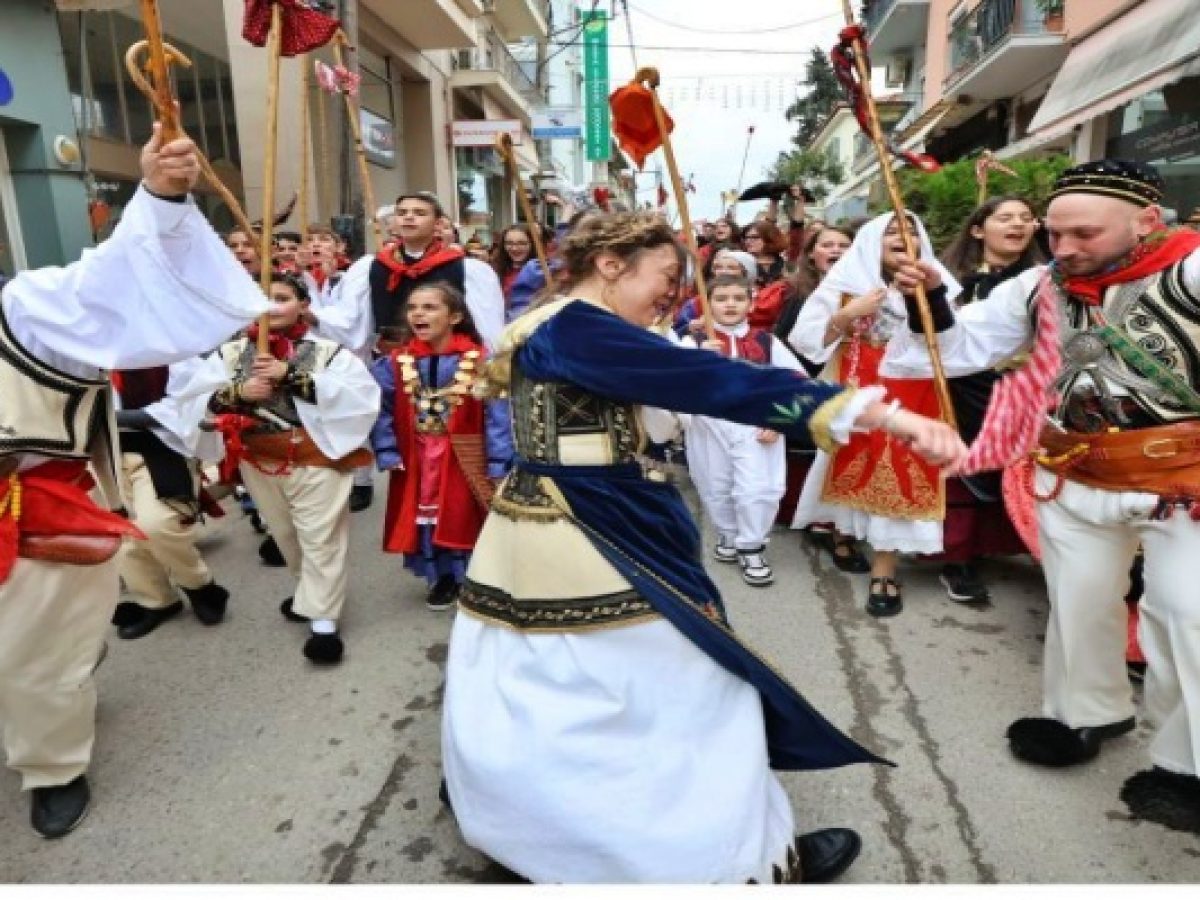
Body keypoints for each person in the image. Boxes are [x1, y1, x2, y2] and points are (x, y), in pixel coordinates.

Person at [441, 211, 968, 883]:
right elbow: (723, 385)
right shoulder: (583, 330)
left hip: (535, 516)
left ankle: (538, 836)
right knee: (685, 683)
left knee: (534, 682)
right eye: (665, 275)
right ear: (610, 265)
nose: (672, 291)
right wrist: (881, 413)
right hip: (595, 519)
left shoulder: (542, 322)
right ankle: (707, 862)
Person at [883, 160, 1200, 833]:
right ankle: (1084, 713)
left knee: (1185, 618)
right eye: (1053, 234)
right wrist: (931, 301)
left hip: (1185, 483)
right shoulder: (1040, 283)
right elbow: (963, 344)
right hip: (1072, 471)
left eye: (1082, 233)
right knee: (1079, 603)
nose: (1062, 249)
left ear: (1146, 220)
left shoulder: (1192, 271)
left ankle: (1187, 766)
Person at [0, 123, 267, 837]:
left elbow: (117, 279)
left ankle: (53, 764)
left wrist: (157, 195)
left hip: (40, 510)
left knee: (31, 659)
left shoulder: (27, 309)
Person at [789, 212, 959, 617]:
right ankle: (841, 535)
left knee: (898, 479)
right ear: (871, 242)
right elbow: (805, 339)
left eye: (913, 232)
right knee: (846, 472)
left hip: (915, 398)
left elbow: (955, 342)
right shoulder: (845, 283)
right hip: (858, 396)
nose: (905, 237)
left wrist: (928, 300)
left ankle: (885, 569)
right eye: (892, 233)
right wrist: (847, 315)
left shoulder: (937, 283)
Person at [205, 272, 380, 665]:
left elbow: (362, 399)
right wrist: (237, 393)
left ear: (303, 305)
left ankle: (323, 626)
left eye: (281, 297)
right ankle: (310, 594)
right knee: (285, 535)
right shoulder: (231, 353)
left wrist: (294, 378)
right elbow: (193, 400)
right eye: (261, 298)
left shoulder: (327, 351)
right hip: (258, 462)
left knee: (321, 538)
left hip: (315, 457)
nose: (270, 306)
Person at [370, 282, 513, 610]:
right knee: (426, 518)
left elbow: (497, 414)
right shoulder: (396, 362)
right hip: (417, 454)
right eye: (412, 308)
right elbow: (382, 408)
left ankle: (476, 574)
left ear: (455, 316)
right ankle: (442, 577)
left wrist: (498, 460)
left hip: (462, 454)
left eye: (430, 307)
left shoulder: (479, 361)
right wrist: (388, 449)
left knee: (465, 513)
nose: (418, 313)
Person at [933, 196, 1043, 601]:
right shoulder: (948, 279)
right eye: (1006, 217)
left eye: (1026, 218)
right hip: (965, 389)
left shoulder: (1045, 278)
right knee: (965, 472)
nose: (1018, 224)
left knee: (1025, 476)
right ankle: (957, 559)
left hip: (1026, 392)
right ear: (978, 229)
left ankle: (1023, 547)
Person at [681, 275, 805, 586]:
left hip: (756, 424)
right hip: (711, 424)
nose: (730, 304)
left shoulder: (767, 342)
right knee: (716, 484)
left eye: (738, 298)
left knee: (757, 488)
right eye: (721, 298)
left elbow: (795, 382)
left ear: (751, 303)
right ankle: (728, 534)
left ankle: (752, 546)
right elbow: (673, 383)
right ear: (707, 305)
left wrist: (780, 419)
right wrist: (698, 363)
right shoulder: (693, 343)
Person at [110, 359, 232, 639]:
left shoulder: (162, 349)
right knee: (120, 537)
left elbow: (188, 401)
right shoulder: (75, 353)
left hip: (157, 450)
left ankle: (200, 586)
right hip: (105, 457)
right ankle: (156, 600)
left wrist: (115, 418)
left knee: (157, 524)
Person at [770, 225, 868, 573]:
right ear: (812, 253)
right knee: (814, 454)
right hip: (809, 380)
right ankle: (814, 520)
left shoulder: (868, 287)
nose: (836, 249)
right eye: (828, 244)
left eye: (844, 244)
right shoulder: (797, 292)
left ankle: (840, 526)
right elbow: (784, 341)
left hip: (856, 381)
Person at [335, 192, 506, 353]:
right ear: (394, 222)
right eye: (402, 213)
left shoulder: (467, 269)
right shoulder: (371, 266)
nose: (409, 217)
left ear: (437, 223)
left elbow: (488, 327)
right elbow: (350, 320)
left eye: (419, 213)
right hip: (390, 362)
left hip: (448, 363)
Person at [491, 225, 534, 302]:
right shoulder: (494, 271)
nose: (515, 248)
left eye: (522, 243)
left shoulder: (541, 272)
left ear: (532, 245)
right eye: (509, 243)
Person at [742, 220, 787, 290]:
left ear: (769, 238)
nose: (748, 241)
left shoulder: (786, 264)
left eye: (755, 237)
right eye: (746, 237)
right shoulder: (741, 263)